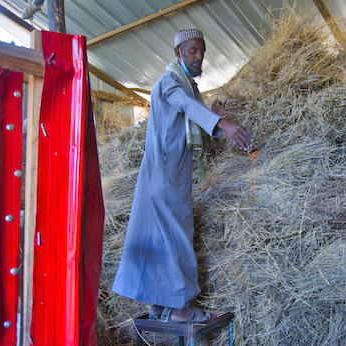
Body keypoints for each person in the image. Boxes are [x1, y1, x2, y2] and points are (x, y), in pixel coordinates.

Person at [112, 28, 253, 323]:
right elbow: (186, 106)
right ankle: (182, 309)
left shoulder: (189, 89)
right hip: (165, 175)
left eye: (202, 52)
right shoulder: (169, 82)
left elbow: (190, 117)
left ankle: (158, 305)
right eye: (192, 51)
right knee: (177, 238)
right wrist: (222, 122)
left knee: (158, 237)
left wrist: (210, 111)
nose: (199, 57)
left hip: (168, 174)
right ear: (178, 53)